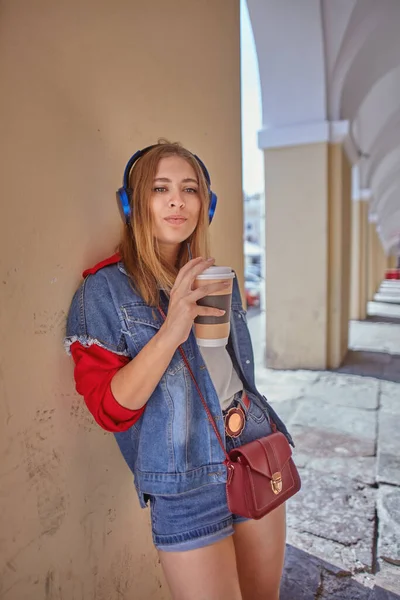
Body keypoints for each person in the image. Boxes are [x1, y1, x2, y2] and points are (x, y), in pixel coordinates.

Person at [64, 140, 294, 600]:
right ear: (132, 204)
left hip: (254, 451)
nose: (176, 200)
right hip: (183, 483)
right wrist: (171, 329)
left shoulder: (216, 278)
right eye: (160, 188)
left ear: (205, 205)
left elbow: (233, 377)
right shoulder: (103, 292)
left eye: (190, 189)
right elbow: (111, 410)